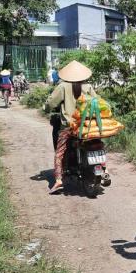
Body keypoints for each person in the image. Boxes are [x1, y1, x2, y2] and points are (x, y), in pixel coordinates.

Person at [44, 60, 97, 194]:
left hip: (68, 126)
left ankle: (59, 180)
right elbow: (97, 102)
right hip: (86, 126)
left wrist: (46, 108)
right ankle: (104, 169)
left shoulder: (63, 87)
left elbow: (50, 103)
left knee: (59, 153)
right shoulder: (88, 87)